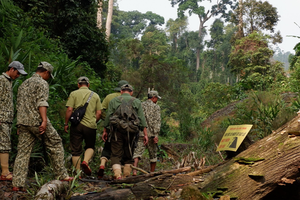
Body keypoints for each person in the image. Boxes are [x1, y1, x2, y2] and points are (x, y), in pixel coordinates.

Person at [12, 62, 73, 191]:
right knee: (55, 142)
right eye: (48, 76)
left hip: (23, 122)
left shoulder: (24, 83)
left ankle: (17, 183)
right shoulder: (42, 83)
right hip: (36, 121)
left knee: (23, 152)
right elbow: (41, 102)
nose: (48, 78)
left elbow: (19, 104)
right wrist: (44, 121)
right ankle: (61, 175)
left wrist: (18, 124)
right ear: (46, 72)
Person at [102, 84, 148, 179]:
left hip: (116, 132)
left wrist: (105, 131)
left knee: (116, 154)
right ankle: (126, 176)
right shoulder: (137, 102)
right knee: (129, 155)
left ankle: (118, 175)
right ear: (131, 92)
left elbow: (108, 117)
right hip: (131, 132)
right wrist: (145, 134)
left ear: (121, 91)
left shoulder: (114, 101)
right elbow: (142, 119)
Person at [64, 76, 102, 176]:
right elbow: (99, 113)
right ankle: (85, 161)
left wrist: (66, 123)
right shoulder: (95, 95)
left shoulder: (73, 94)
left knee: (75, 150)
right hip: (90, 126)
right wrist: (94, 121)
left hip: (76, 125)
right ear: (88, 85)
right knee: (90, 146)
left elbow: (69, 110)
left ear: (78, 84)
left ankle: (78, 173)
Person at [0, 61, 27, 181]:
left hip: (7, 118)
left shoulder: (8, 81)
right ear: (11, 69)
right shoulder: (2, 80)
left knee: (5, 143)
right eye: (17, 72)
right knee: (4, 144)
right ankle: (5, 172)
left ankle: (5, 170)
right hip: (2, 118)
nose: (18, 76)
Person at [98, 80, 128, 179]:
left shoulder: (109, 97)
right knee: (122, 148)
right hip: (125, 127)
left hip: (111, 126)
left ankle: (102, 164)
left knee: (107, 146)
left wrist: (106, 122)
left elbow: (101, 110)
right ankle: (121, 172)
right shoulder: (129, 99)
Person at [133, 90, 161, 175]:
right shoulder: (156, 107)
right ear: (153, 98)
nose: (157, 100)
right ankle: (152, 172)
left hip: (141, 133)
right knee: (153, 154)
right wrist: (156, 135)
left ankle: (134, 170)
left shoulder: (140, 105)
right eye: (156, 98)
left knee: (137, 153)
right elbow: (157, 121)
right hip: (152, 134)